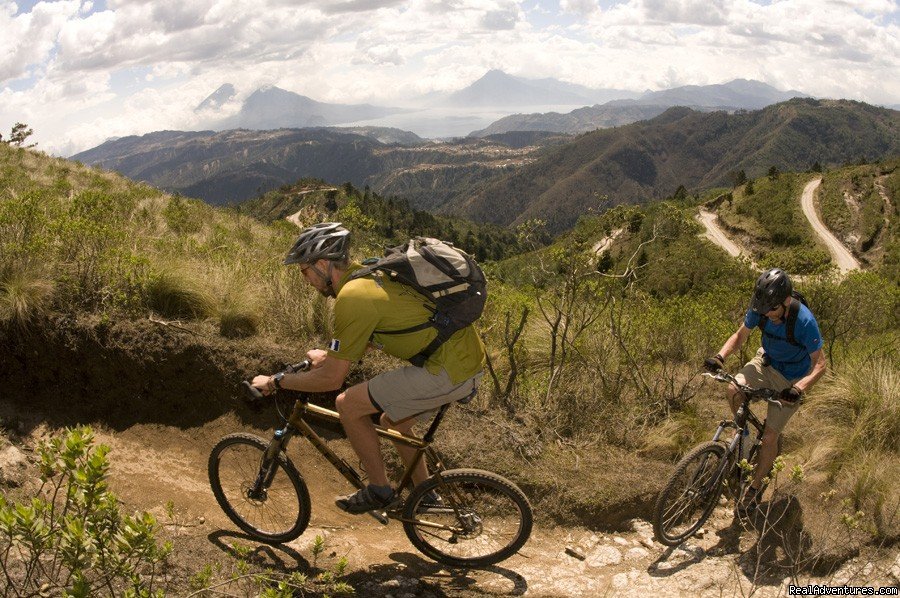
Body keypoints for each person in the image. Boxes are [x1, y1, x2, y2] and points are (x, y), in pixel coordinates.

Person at [252, 222, 485, 514]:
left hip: (448, 370)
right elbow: (367, 339)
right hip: (463, 361)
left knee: (348, 405)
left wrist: (276, 381)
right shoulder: (370, 274)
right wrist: (327, 355)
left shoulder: (352, 298)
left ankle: (379, 490)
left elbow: (331, 380)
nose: (305, 279)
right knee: (394, 422)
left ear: (323, 264)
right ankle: (426, 495)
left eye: (304, 271)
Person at [704, 268, 826, 515]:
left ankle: (755, 487)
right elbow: (740, 336)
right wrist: (720, 357)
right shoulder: (761, 309)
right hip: (766, 361)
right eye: (763, 310)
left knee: (770, 438)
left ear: (786, 301)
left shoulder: (804, 321)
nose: (767, 315)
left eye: (772, 310)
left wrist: (798, 388)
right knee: (733, 389)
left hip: (791, 378)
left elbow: (821, 365)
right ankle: (746, 437)